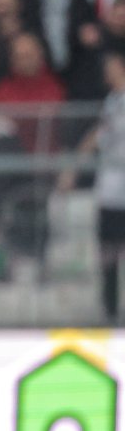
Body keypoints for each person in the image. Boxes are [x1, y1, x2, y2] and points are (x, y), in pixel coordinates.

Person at [63, 53, 125, 321]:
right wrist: (74, 167)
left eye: (112, 68)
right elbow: (99, 135)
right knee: (108, 249)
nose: (107, 74)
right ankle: (109, 307)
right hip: (110, 188)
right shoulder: (111, 103)